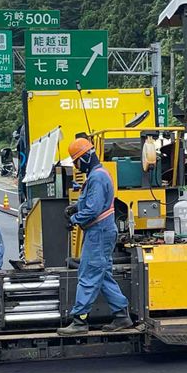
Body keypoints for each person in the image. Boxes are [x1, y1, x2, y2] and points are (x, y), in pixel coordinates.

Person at [57, 138, 132, 335]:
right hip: (101, 231)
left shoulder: (97, 177)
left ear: (86, 157)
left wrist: (74, 218)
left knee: (88, 274)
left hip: (98, 233)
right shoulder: (97, 175)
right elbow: (93, 203)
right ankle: (122, 316)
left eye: (76, 161)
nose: (76, 166)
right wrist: (76, 207)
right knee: (103, 275)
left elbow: (93, 208)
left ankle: (80, 320)